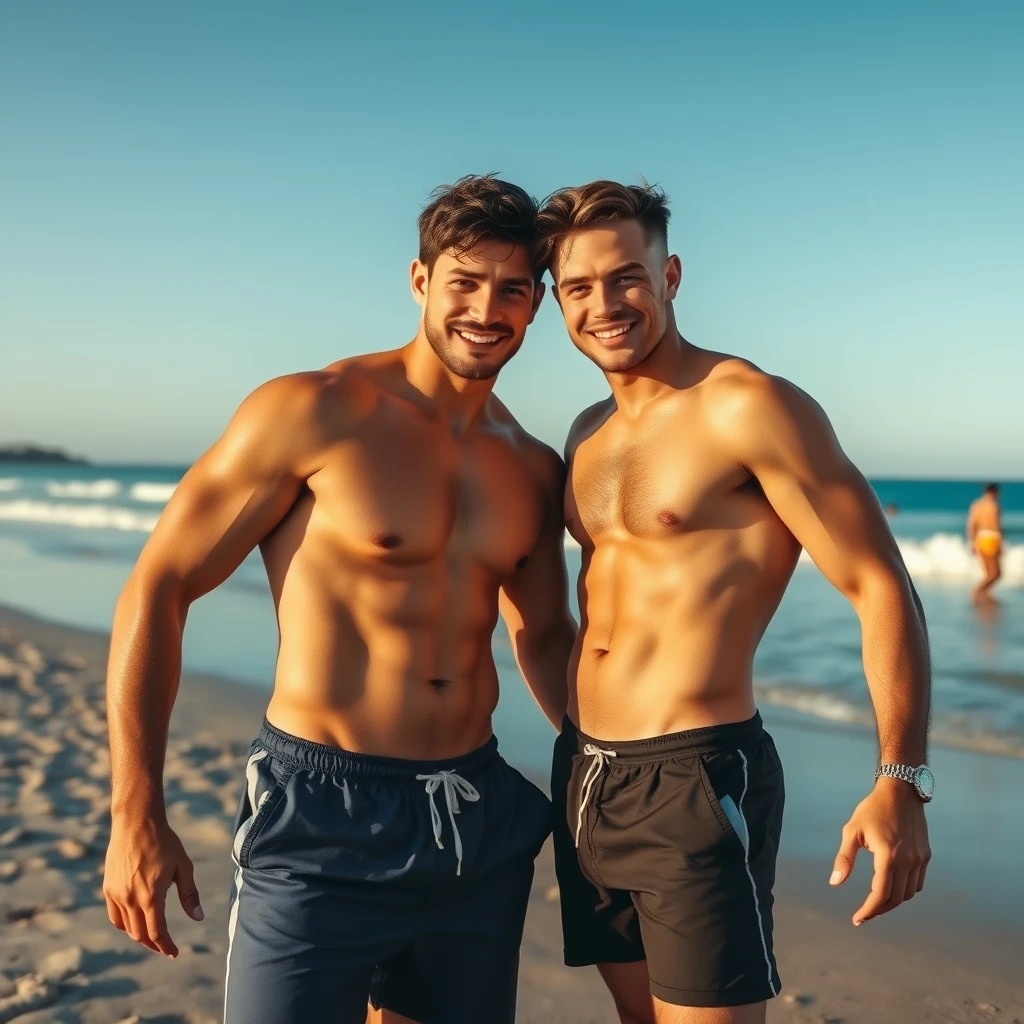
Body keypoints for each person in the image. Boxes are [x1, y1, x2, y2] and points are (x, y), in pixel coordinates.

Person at [102, 174, 576, 1024]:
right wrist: (135, 809)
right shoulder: (316, 412)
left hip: (472, 817)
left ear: (537, 302)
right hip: (321, 813)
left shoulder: (533, 466)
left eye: (511, 289)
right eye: (464, 281)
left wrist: (609, 765)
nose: (486, 308)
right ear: (421, 281)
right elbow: (162, 583)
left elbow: (543, 635)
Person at [537, 180, 933, 1024]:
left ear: (670, 274)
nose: (604, 305)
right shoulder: (584, 434)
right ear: (556, 300)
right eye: (577, 287)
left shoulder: (749, 407)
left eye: (627, 277)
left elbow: (880, 584)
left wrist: (901, 777)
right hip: (585, 774)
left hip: (696, 777)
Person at [967, 483, 1003, 603]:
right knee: (995, 574)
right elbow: (997, 526)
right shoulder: (994, 506)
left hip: (980, 538)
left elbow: (971, 525)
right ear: (995, 492)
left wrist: (972, 543)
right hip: (992, 538)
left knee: (989, 572)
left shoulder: (976, 505)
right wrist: (1000, 544)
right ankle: (977, 591)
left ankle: (985, 593)